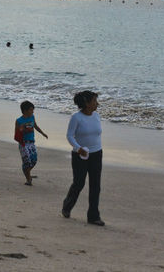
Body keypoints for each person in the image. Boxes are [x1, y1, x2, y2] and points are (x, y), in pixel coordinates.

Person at [62, 90, 104, 226]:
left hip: (96, 154)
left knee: (95, 185)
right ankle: (67, 206)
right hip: (80, 155)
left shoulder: (96, 116)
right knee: (79, 183)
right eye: (94, 101)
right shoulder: (76, 117)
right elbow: (69, 136)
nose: (97, 104)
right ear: (86, 103)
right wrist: (78, 148)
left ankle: (93, 216)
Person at [15, 100, 48, 185]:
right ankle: (28, 179)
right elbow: (17, 132)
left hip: (31, 142)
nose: (32, 111)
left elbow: (35, 126)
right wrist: (23, 129)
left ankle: (27, 172)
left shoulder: (32, 117)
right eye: (31, 110)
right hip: (23, 143)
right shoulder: (19, 120)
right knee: (26, 162)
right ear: (25, 111)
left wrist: (42, 133)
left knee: (34, 160)